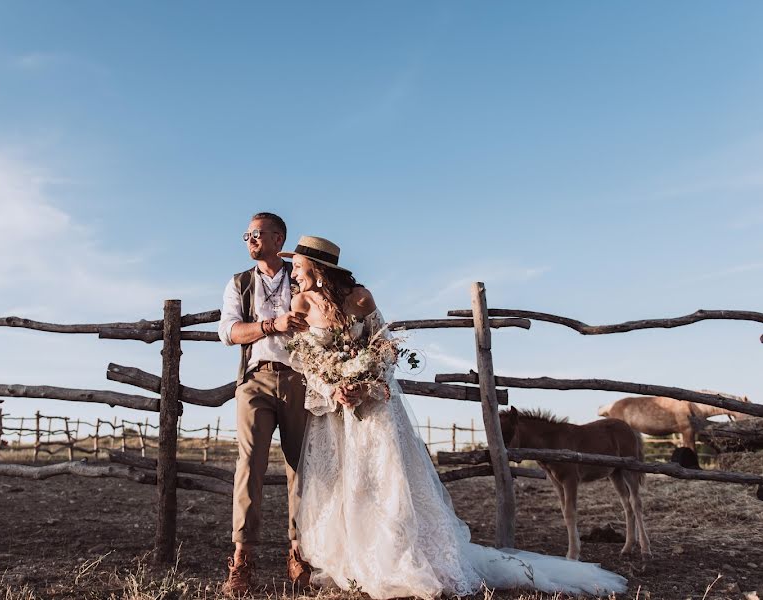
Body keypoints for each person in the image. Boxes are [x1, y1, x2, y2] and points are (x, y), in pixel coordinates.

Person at [279, 235, 629, 599]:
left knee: (388, 482)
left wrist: (364, 383)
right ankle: (356, 561)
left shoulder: (361, 297)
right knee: (351, 483)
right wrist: (333, 387)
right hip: (338, 412)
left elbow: (383, 347)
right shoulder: (300, 302)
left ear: (319, 271)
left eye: (299, 269)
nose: (294, 275)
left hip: (374, 404)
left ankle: (400, 557)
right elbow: (303, 360)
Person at [217, 213, 314, 596]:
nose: (250, 240)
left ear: (279, 238)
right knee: (249, 466)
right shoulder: (239, 283)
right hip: (255, 379)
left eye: (257, 234)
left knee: (301, 467)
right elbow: (229, 332)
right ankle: (242, 561)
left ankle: (300, 553)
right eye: (247, 235)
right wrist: (272, 325)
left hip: (301, 379)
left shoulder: (301, 276)